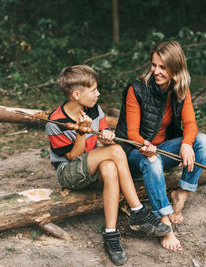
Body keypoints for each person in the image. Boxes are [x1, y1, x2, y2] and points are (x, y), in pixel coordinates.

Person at [45, 65, 171, 266]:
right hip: (69, 174)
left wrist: (108, 138)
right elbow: (72, 157)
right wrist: (81, 133)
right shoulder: (55, 121)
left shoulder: (94, 110)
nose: (98, 93)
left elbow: (107, 149)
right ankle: (137, 210)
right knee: (114, 153)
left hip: (94, 170)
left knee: (110, 166)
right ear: (76, 94)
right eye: (93, 90)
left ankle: (110, 234)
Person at [115, 41, 206, 251]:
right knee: (152, 159)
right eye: (154, 65)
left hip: (162, 150)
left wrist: (186, 144)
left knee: (202, 142)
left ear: (175, 69)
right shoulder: (137, 89)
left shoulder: (180, 90)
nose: (156, 71)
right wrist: (145, 146)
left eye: (162, 67)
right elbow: (131, 133)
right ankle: (164, 223)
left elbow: (190, 124)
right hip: (133, 153)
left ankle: (181, 196)